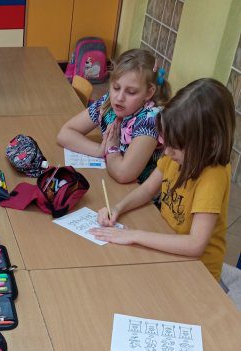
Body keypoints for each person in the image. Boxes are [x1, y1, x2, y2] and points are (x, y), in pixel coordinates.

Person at [90, 78, 235, 282]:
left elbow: (195, 245)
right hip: (168, 248)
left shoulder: (213, 176)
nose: (166, 152)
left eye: (175, 146)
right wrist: (118, 208)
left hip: (198, 273)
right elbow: (148, 189)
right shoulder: (178, 155)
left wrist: (134, 235)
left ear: (208, 143)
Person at [57, 49, 171, 184]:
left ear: (148, 93)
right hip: (112, 179)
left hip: (137, 191)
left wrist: (111, 148)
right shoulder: (108, 103)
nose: (119, 97)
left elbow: (123, 174)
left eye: (131, 92)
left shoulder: (151, 120)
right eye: (116, 87)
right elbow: (64, 134)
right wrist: (99, 150)